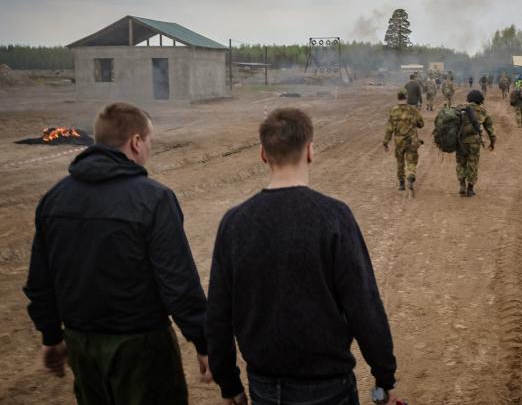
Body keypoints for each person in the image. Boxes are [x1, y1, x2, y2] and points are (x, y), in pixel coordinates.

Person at [206, 108, 401, 405]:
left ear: (262, 154)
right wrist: (384, 376)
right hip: (329, 386)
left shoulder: (234, 223)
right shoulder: (334, 217)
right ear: (310, 151)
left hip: (264, 386)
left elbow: (219, 312)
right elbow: (363, 303)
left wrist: (228, 383)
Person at [23, 102, 211, 405]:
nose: (149, 148)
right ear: (136, 142)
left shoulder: (54, 199)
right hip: (141, 348)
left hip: (81, 344)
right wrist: (204, 342)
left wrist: (51, 336)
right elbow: (178, 283)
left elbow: (39, 281)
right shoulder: (153, 198)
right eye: (149, 141)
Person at [383, 90, 425, 193]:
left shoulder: (393, 111)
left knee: (400, 161)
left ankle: (401, 183)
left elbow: (389, 129)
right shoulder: (413, 110)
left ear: (398, 98)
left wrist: (385, 142)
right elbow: (421, 124)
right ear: (406, 97)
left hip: (399, 141)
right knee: (411, 160)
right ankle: (411, 174)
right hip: (412, 140)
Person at [455, 90, 496, 197]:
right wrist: (492, 142)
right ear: (480, 100)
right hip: (474, 143)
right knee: (472, 163)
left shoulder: (460, 108)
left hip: (460, 142)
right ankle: (470, 188)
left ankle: (462, 184)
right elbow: (490, 129)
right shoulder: (482, 111)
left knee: (461, 163)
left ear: (468, 98)